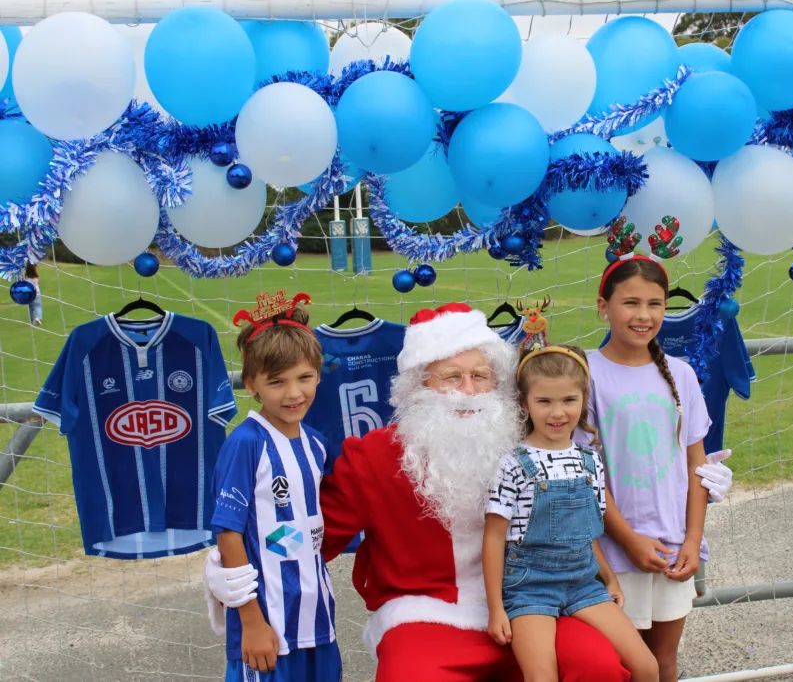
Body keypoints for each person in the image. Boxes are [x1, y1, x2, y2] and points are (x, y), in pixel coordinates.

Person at [205, 302, 735, 681]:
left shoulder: (526, 438)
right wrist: (234, 568)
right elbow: (310, 532)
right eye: (450, 376)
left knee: (600, 666)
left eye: (481, 375)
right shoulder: (372, 457)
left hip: (538, 602)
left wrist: (696, 473)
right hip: (426, 612)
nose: (468, 390)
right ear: (418, 386)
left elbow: (604, 467)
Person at [580, 256, 726, 682]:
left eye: (655, 304)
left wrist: (693, 541)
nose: (643, 316)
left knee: (663, 663)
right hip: (613, 554)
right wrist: (627, 540)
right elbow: (581, 477)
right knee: (621, 665)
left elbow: (696, 464)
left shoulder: (680, 376)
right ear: (603, 306)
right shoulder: (585, 374)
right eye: (630, 303)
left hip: (672, 551)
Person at [484, 335, 658, 682]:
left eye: (569, 400)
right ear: (525, 402)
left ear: (583, 400)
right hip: (529, 587)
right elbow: (493, 538)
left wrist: (609, 578)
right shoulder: (513, 464)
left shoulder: (590, 460)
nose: (558, 412)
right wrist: (496, 609)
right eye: (544, 401)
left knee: (647, 667)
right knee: (541, 677)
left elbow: (586, 528)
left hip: (583, 583)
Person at [209, 292, 340, 682]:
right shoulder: (246, 443)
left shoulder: (316, 443)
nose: (294, 393)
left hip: (317, 619)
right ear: (251, 384)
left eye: (304, 377)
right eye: (277, 382)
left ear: (318, 374)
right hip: (267, 625)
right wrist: (250, 621)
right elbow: (228, 533)